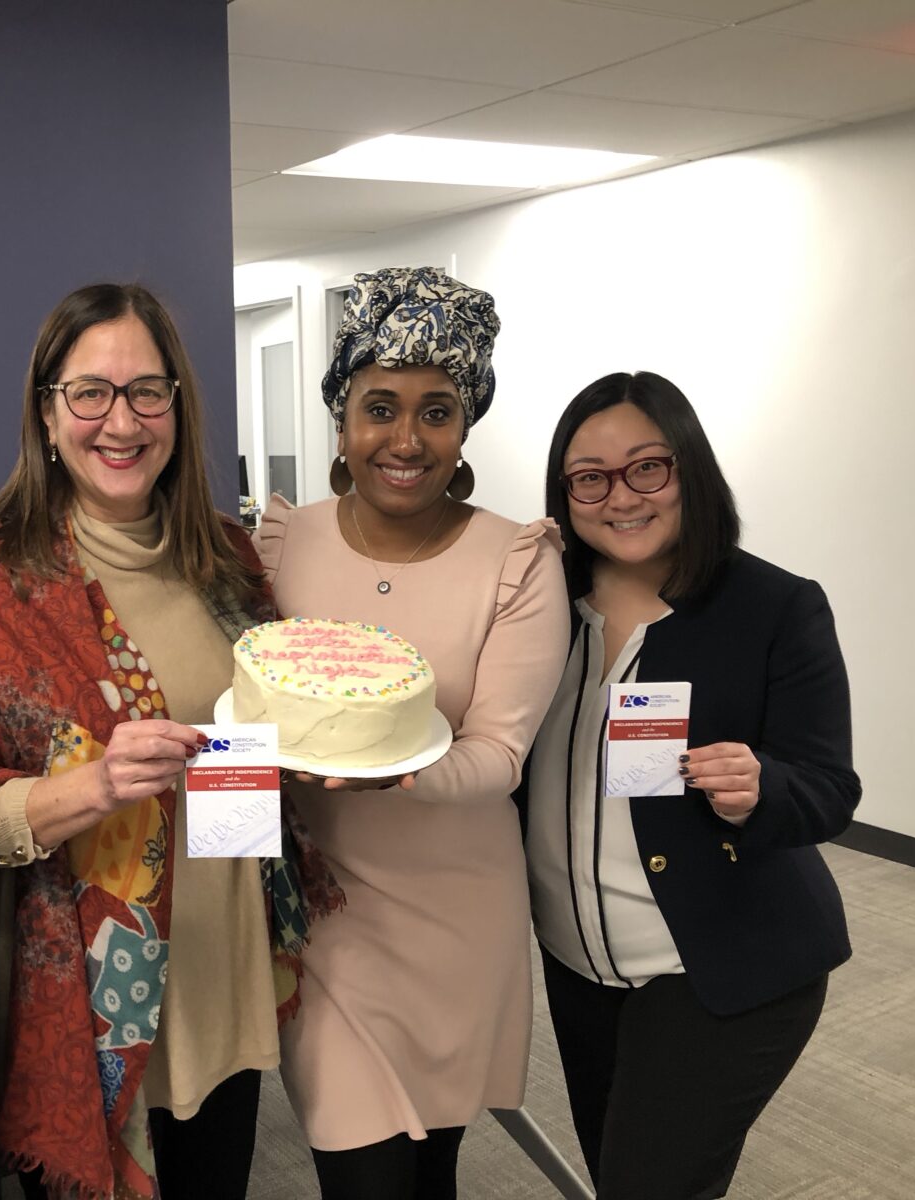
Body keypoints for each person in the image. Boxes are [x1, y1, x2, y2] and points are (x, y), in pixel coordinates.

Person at [0, 282, 342, 1200]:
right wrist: (96, 786)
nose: (121, 421)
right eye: (90, 393)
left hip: (223, 963)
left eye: (147, 391)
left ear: (177, 409)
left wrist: (332, 752)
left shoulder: (226, 556)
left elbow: (265, 726)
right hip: (89, 1001)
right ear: (47, 415)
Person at [255, 267, 570, 1199]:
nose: (405, 439)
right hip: (322, 916)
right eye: (379, 408)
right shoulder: (281, 542)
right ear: (341, 420)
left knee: (430, 1167)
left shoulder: (518, 560)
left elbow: (499, 752)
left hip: (454, 915)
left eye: (437, 412)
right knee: (358, 1165)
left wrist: (388, 772)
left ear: (465, 426)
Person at [523, 371, 860, 1199]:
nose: (621, 497)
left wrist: (762, 786)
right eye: (590, 478)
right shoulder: (537, 605)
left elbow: (829, 788)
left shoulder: (773, 607)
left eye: (647, 467)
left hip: (718, 963)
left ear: (689, 468)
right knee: (620, 1173)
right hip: (576, 963)